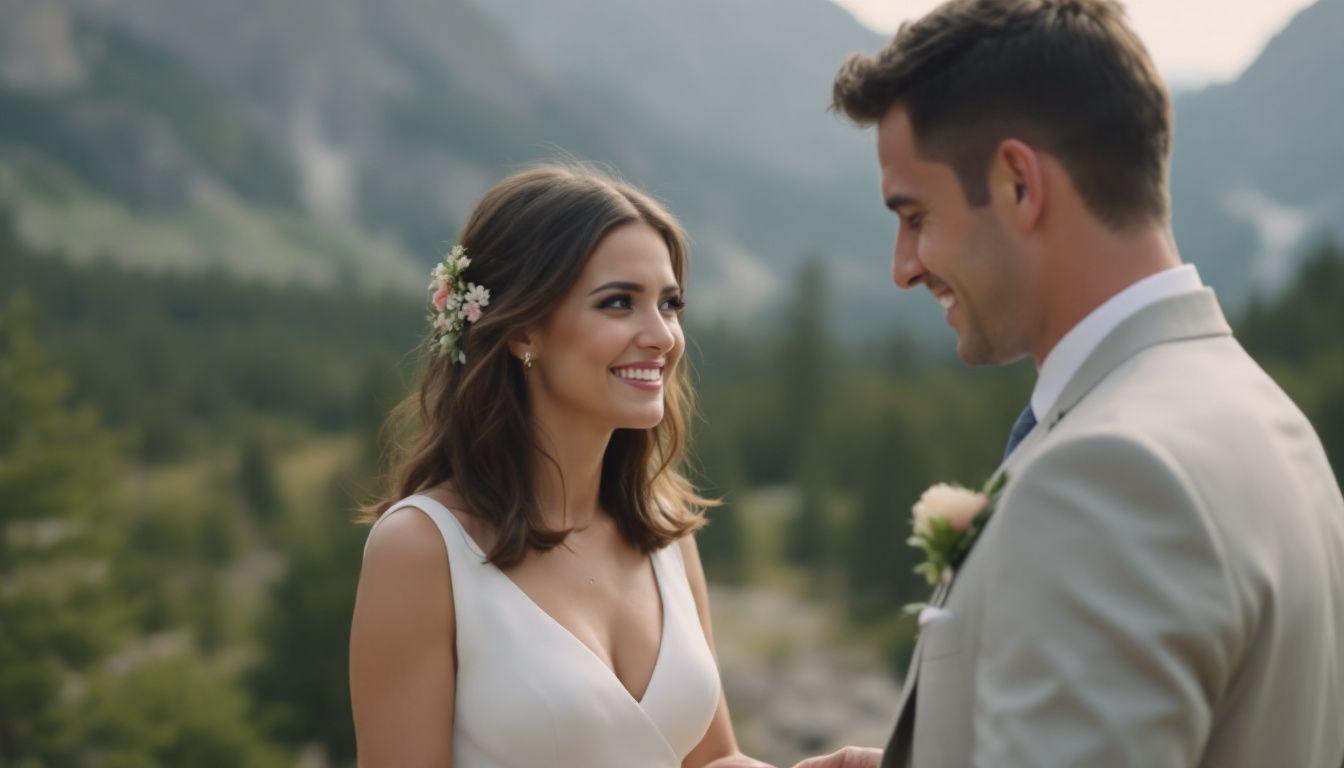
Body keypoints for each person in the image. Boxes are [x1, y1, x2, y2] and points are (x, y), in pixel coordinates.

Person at [796, 1, 1344, 766]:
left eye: (915, 215)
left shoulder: (1111, 476)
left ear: (1018, 183)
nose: (904, 266)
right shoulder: (1269, 421)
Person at [349, 164, 772, 768]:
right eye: (619, 303)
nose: (662, 336)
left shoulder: (664, 531)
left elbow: (711, 761)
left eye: (670, 303)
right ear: (524, 330)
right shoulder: (422, 549)